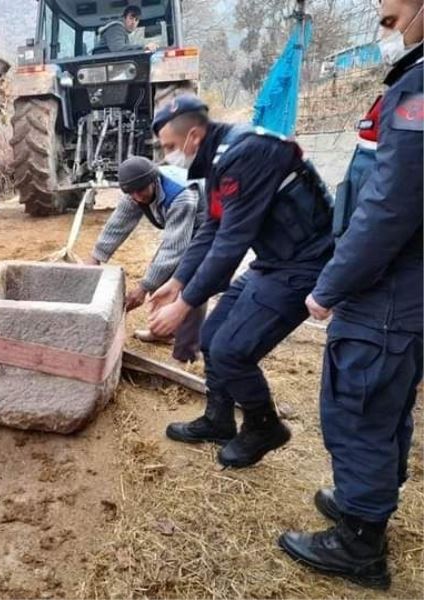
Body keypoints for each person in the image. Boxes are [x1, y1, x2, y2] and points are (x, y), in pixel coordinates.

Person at [279, 0, 423, 589]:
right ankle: (368, 502)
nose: (383, 28)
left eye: (390, 21)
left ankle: (360, 543)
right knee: (385, 405)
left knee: (357, 408)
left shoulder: (417, 91)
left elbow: (390, 205)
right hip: (403, 291)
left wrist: (331, 284)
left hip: (384, 292)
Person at [147, 95, 334, 467]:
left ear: (194, 137)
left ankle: (264, 426)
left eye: (170, 147)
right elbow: (213, 227)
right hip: (273, 261)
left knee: (234, 350)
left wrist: (183, 306)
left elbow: (232, 243)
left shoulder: (245, 154)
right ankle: (219, 420)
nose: (168, 155)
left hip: (304, 263)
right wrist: (179, 281)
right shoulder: (218, 158)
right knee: (212, 338)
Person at [86, 156, 207, 363]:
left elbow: (173, 249)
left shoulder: (181, 196)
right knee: (159, 276)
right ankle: (163, 333)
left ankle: (187, 351)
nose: (137, 197)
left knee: (193, 284)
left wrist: (143, 287)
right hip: (182, 228)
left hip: (208, 228)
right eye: (131, 193)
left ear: (154, 181)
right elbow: (118, 224)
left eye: (141, 191)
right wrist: (95, 257)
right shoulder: (134, 191)